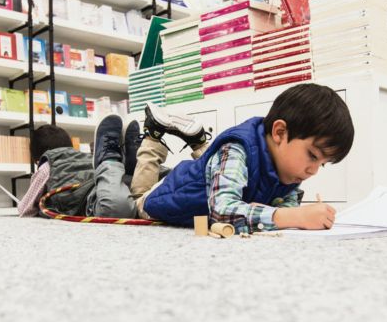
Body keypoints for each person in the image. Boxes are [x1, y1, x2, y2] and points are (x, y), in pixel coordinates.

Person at [130, 83, 354, 233]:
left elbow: (286, 204)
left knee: (210, 168)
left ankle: (199, 142)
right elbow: (222, 212)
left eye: (321, 164)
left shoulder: (290, 170)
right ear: (280, 133)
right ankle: (153, 136)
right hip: (160, 199)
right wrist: (292, 217)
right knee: (128, 201)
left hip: (204, 182)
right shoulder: (237, 150)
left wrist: (291, 214)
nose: (313, 170)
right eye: (313, 156)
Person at [17, 119, 156, 219]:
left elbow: (26, 210)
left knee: (116, 207)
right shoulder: (85, 156)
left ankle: (111, 160)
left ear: (37, 160)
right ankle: (133, 167)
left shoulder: (47, 165)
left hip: (98, 199)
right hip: (117, 183)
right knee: (149, 191)